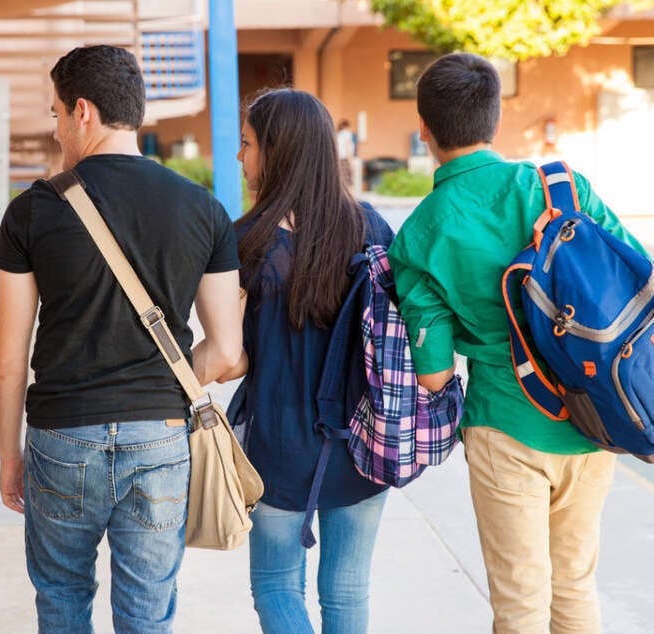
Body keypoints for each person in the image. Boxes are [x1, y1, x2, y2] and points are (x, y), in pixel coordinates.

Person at [387, 53, 647, 633]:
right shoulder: (562, 187)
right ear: (495, 120)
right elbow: (637, 278)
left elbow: (433, 374)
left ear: (423, 129)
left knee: (520, 601)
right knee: (575, 585)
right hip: (596, 420)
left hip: (505, 424)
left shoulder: (421, 234)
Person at [0, 44, 242, 634]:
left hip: (62, 436)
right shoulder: (204, 209)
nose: (54, 132)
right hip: (159, 437)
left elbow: (7, 363)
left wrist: (9, 456)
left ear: (83, 111)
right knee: (147, 612)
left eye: (54, 115)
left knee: (61, 597)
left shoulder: (31, 212)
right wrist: (155, 383)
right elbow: (226, 353)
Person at [204, 88, 394, 634]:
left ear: (278, 151)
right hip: (363, 441)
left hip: (278, 447)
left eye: (246, 145)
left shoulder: (245, 242)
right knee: (348, 591)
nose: (240, 157)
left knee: (275, 585)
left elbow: (231, 359)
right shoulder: (372, 228)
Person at [336, 118, 355, 186]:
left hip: (338, 160)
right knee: (348, 182)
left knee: (341, 181)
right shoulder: (347, 134)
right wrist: (351, 162)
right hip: (345, 159)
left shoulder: (337, 135)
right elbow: (348, 148)